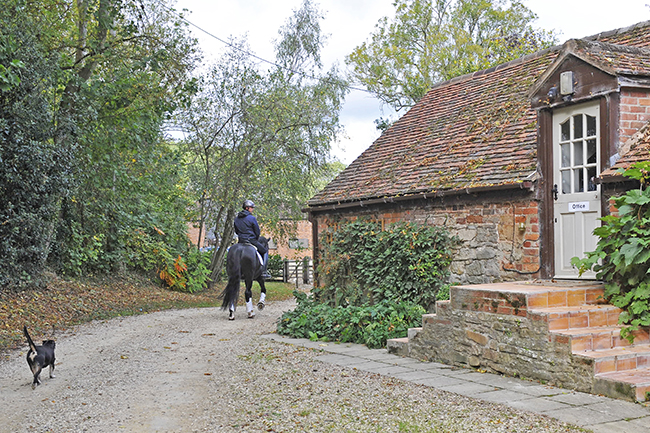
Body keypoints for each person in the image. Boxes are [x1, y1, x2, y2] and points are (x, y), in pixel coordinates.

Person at [234, 199, 271, 279]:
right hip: (251, 240)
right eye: (251, 208)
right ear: (247, 208)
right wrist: (255, 238)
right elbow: (257, 231)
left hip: (240, 241)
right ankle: (264, 272)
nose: (252, 209)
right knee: (264, 251)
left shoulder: (236, 219)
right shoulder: (251, 218)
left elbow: (236, 231)